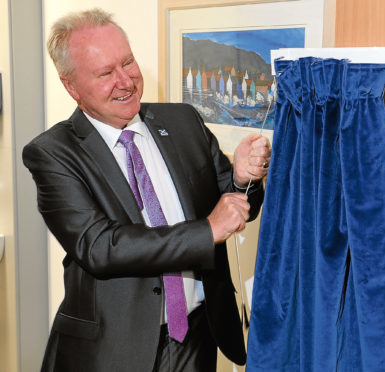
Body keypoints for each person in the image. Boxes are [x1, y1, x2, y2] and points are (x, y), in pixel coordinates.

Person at [22, 8, 270, 372]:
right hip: (112, 350)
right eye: (106, 73)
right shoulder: (53, 152)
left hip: (197, 337)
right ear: (70, 85)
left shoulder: (183, 120)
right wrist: (207, 230)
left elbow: (229, 201)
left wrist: (244, 178)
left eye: (128, 62)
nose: (125, 81)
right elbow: (100, 247)